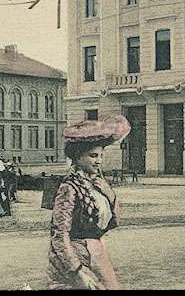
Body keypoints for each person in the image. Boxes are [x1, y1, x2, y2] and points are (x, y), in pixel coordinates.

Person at [48, 115, 131, 290]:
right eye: (93, 156)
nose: (99, 161)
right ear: (78, 157)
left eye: (101, 155)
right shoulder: (68, 187)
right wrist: (77, 269)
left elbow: (113, 223)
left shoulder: (98, 185)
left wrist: (110, 195)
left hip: (97, 253)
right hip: (73, 258)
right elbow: (59, 235)